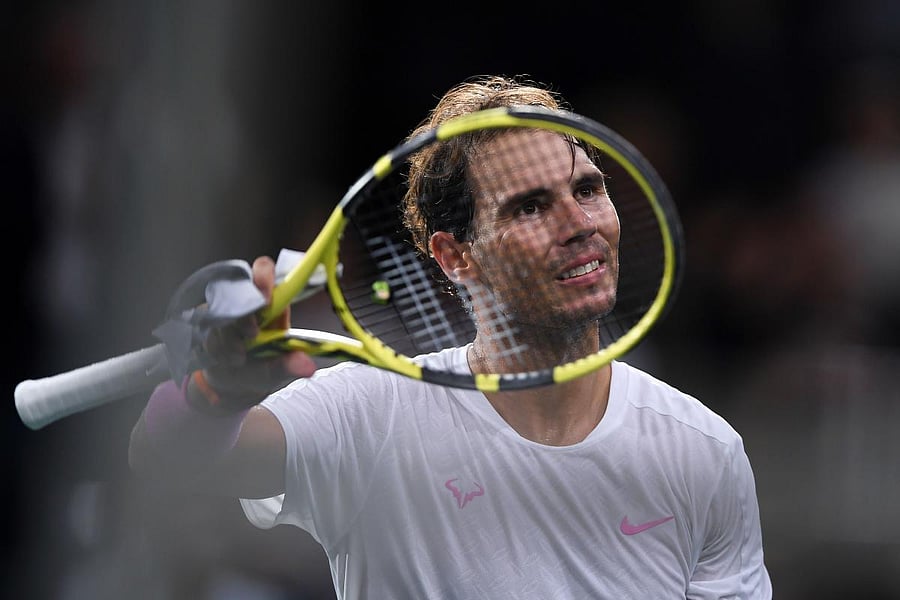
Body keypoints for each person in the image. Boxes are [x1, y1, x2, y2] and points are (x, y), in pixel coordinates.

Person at [129, 75, 772, 599]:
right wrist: (216, 392)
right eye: (530, 206)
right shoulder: (370, 414)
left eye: (588, 188)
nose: (580, 223)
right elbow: (166, 458)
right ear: (455, 256)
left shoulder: (704, 452)